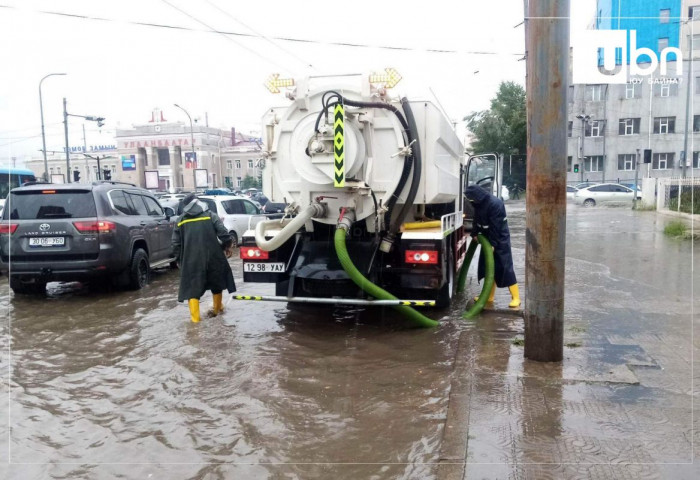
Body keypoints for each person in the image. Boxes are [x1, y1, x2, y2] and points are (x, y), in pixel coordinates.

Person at [172, 193, 236, 322]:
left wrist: (179, 259)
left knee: (192, 288)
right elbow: (223, 233)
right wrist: (227, 246)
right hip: (213, 256)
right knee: (216, 283)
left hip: (191, 260)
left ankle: (195, 322)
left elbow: (175, 243)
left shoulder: (180, 220)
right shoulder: (210, 215)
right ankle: (217, 312)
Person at [464, 185, 520, 308]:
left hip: (500, 239)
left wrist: (493, 244)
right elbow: (476, 220)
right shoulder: (477, 203)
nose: (470, 202)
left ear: (477, 197)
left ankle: (516, 298)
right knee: (488, 267)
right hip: (486, 238)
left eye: (471, 199)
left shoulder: (495, 204)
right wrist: (474, 233)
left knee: (504, 267)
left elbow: (496, 226)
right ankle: (488, 296)